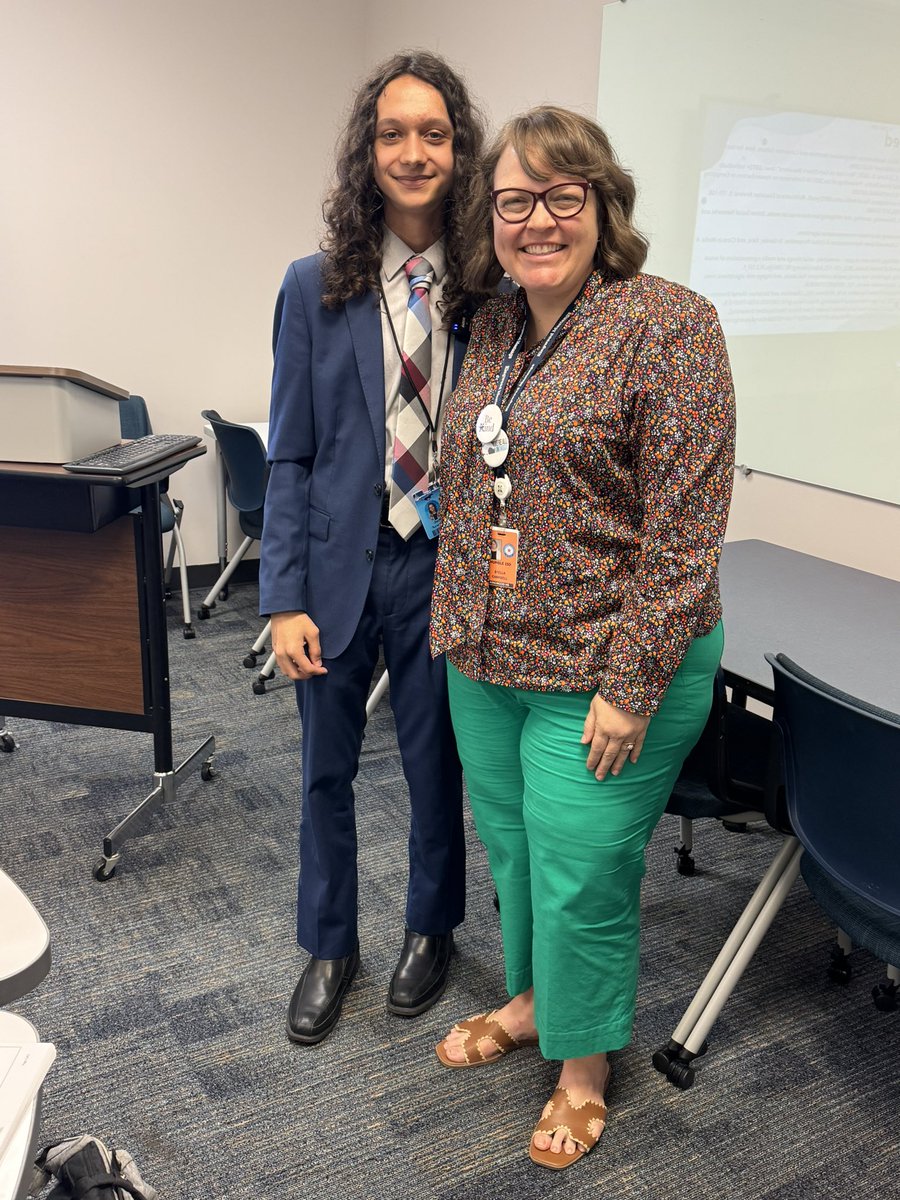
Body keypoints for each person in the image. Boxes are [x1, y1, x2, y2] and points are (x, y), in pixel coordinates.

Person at [430, 107, 735, 1169]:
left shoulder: (671, 326)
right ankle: (531, 1000)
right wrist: (455, 621)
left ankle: (584, 1066)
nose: (539, 220)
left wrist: (632, 684)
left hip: (607, 671)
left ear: (605, 204)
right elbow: (481, 486)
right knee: (515, 855)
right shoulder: (497, 325)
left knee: (580, 873)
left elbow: (686, 532)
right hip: (489, 656)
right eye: (517, 201)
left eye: (565, 196)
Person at [259, 51, 486, 1045]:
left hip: (443, 570)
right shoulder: (314, 288)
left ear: (458, 149)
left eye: (432, 133)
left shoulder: (490, 287)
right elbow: (291, 452)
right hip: (337, 569)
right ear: (368, 151)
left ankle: (432, 928)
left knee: (438, 766)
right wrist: (281, 598)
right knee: (325, 769)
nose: (412, 151)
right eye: (393, 133)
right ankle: (330, 943)